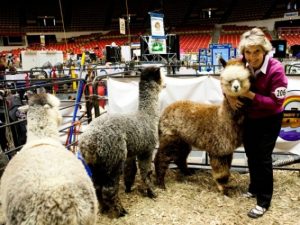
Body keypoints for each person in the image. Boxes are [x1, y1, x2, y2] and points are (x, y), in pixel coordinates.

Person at [226, 27, 288, 218]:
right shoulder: (241, 64)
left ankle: (264, 200)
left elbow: (276, 103)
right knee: (251, 154)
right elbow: (226, 81)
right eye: (248, 52)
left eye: (256, 52)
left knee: (263, 157)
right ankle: (253, 188)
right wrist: (229, 97)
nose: (252, 57)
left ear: (265, 51)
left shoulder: (276, 70)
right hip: (250, 118)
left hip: (270, 119)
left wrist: (249, 95)